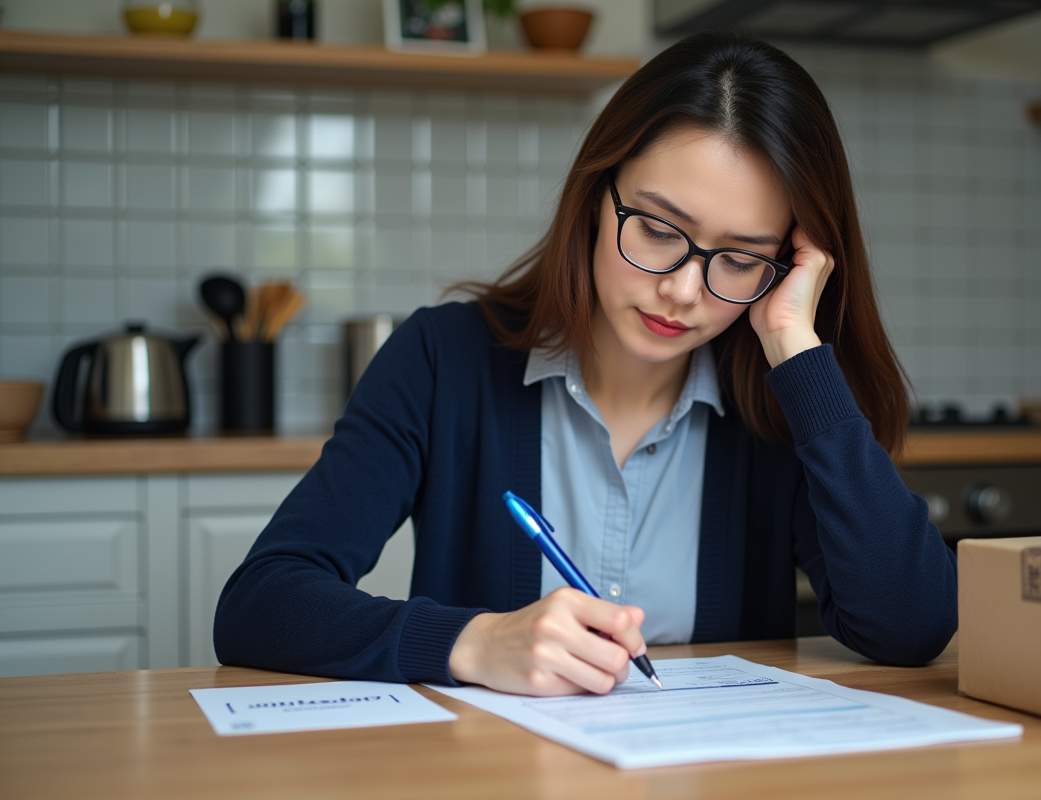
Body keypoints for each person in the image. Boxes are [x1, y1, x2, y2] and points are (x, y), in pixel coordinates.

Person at [214, 31, 957, 696]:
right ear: (597, 194)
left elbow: (913, 629)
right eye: (660, 230)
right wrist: (472, 642)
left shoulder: (780, 400)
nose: (683, 290)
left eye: (739, 259)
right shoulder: (443, 360)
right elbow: (262, 603)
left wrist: (798, 346)